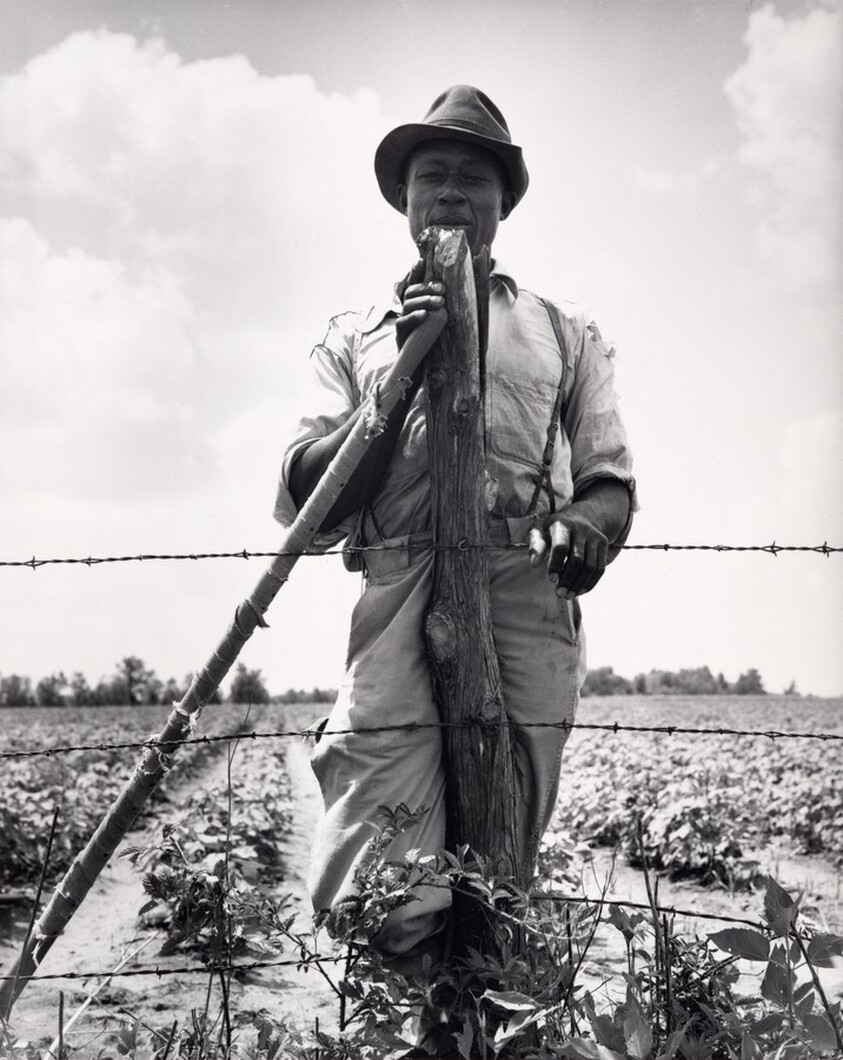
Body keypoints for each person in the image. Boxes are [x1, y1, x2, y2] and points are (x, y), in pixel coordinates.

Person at [274, 85, 636, 974]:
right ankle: (414, 1022)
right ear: (403, 201)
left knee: (502, 868)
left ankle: (484, 1014)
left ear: (502, 203)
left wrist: (586, 526)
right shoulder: (353, 338)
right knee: (384, 889)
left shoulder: (563, 331)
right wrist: (398, 378)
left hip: (524, 602)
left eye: (472, 178)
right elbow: (306, 499)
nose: (449, 193)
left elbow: (608, 480)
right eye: (429, 175)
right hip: (396, 593)